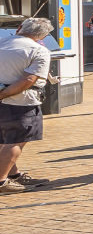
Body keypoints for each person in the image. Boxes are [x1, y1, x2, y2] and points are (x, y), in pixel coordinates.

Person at [0, 18, 55, 194]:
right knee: (16, 141)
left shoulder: (1, 42)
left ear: (19, 28)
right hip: (20, 102)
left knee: (3, 140)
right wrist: (3, 94)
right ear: (43, 36)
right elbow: (28, 80)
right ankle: (1, 181)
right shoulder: (40, 51)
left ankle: (13, 175)